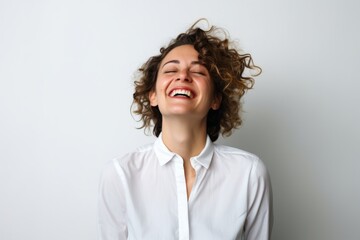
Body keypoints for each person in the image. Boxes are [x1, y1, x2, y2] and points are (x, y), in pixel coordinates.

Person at [98, 20, 273, 240]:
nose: (182, 76)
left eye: (199, 72)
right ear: (153, 95)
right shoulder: (120, 175)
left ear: (215, 99)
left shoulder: (249, 174)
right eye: (171, 69)